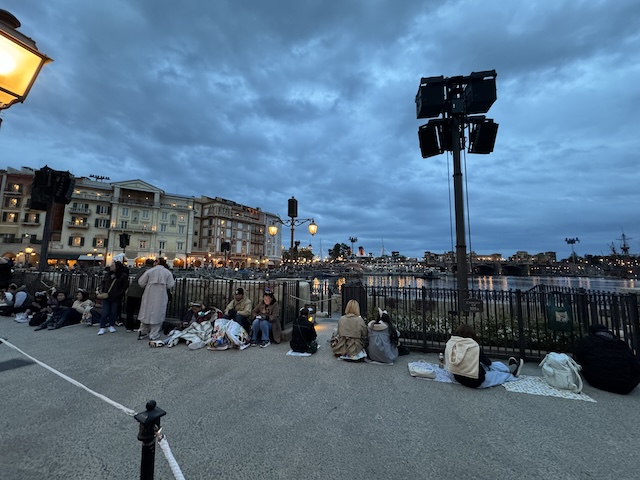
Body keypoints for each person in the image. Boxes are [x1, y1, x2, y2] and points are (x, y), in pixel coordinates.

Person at [444, 324, 523, 389]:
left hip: (458, 377)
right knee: (498, 374)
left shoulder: (451, 343)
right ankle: (511, 372)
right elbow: (487, 362)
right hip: (476, 381)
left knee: (483, 365)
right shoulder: (473, 346)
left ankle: (508, 369)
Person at [574, 324, 640, 394]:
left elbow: (578, 356)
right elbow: (635, 367)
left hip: (596, 380)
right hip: (623, 387)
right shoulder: (621, 345)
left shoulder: (587, 341)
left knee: (579, 363)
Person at [137, 257, 175, 341]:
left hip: (149, 293)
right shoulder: (167, 272)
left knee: (146, 311)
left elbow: (141, 282)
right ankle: (153, 334)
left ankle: (142, 331)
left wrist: (147, 285)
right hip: (161, 294)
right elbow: (170, 284)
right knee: (158, 312)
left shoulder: (150, 271)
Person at [97, 261, 129, 335]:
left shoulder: (122, 276)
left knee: (113, 312)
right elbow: (103, 283)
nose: (111, 267)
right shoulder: (108, 274)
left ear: (117, 267)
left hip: (115, 297)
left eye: (112, 265)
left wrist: (119, 294)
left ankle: (111, 325)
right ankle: (102, 327)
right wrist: (101, 289)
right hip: (107, 296)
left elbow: (124, 287)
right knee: (105, 313)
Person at [126, 258, 154, 332]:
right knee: (140, 310)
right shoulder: (149, 270)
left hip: (131, 291)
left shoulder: (141, 269)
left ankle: (129, 326)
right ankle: (137, 325)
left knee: (130, 310)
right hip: (140, 292)